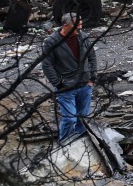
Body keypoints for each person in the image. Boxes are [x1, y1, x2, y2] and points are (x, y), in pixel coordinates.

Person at [40, 12, 99, 142]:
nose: (80, 30)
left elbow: (92, 57)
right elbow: (47, 65)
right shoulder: (52, 42)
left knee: (82, 117)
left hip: (84, 85)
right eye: (77, 27)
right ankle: (65, 144)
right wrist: (59, 84)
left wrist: (92, 78)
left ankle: (80, 142)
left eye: (80, 26)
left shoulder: (83, 37)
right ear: (66, 26)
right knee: (69, 118)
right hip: (66, 87)